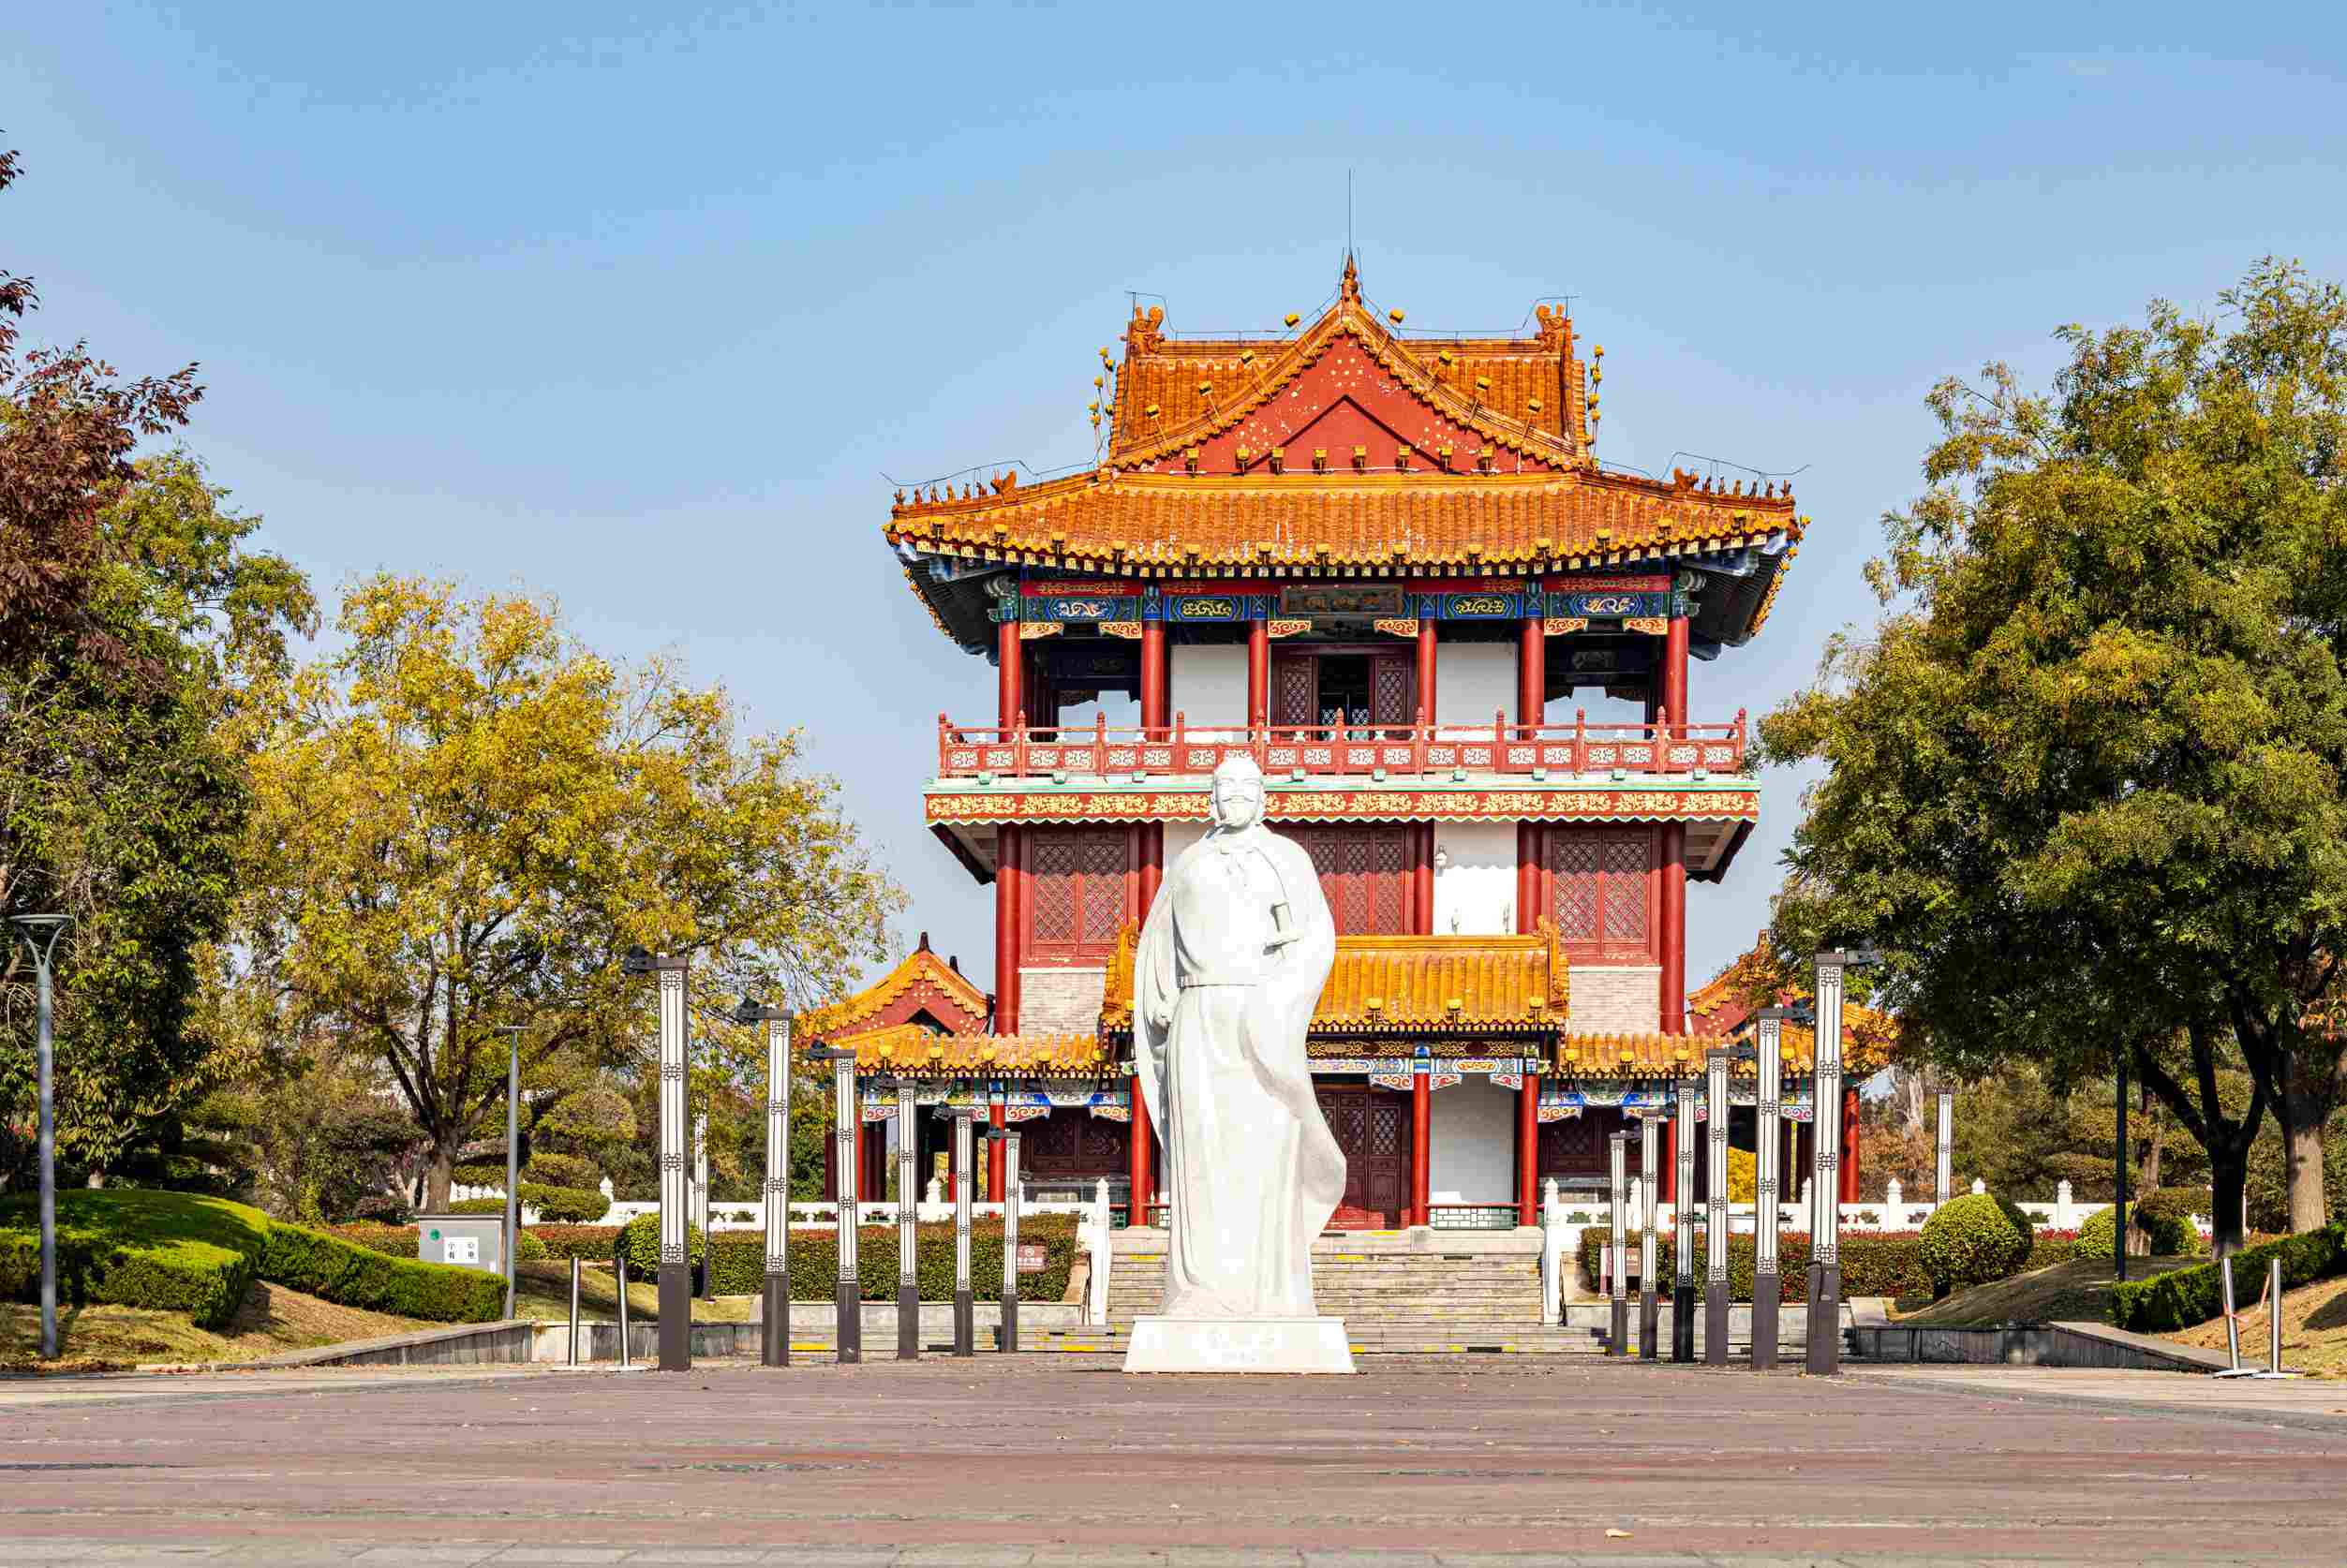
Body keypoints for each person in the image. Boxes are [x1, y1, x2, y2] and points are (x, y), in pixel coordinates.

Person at [1132, 755, 1342, 1317]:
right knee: (1200, 1148)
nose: (1236, 794)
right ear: (1212, 797)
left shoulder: (1287, 859)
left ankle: (1270, 1287)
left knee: (1264, 1145)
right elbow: (1157, 942)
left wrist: (1280, 996)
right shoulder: (1190, 862)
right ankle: (1200, 1285)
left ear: (1264, 795)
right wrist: (1161, 998)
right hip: (1196, 1013)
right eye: (1225, 785)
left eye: (1247, 785)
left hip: (1258, 1013)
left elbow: (1316, 941)